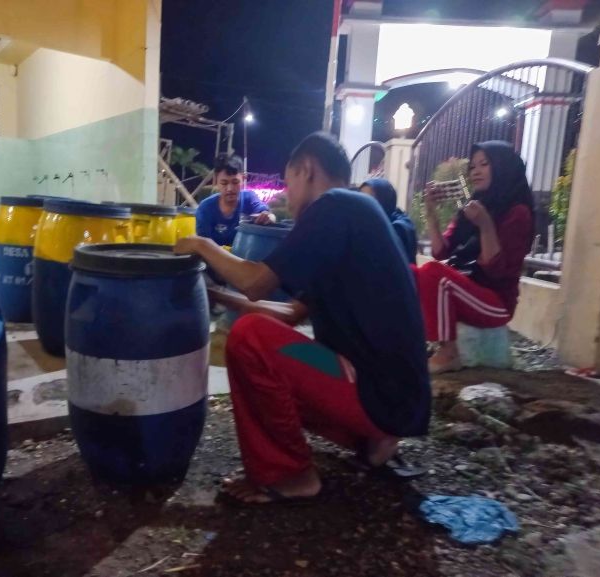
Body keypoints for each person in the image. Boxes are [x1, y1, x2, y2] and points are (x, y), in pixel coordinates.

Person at [175, 132, 430, 505]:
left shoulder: (336, 206)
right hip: (394, 401)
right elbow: (291, 313)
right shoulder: (355, 214)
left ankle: (290, 474)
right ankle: (375, 442)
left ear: (306, 170)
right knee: (264, 341)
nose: (287, 196)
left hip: (378, 395)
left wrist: (202, 244)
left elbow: (256, 283)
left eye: (287, 182)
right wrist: (216, 296)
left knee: (248, 337)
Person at [413, 141, 534, 374]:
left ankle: (449, 352)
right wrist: (430, 212)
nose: (476, 172)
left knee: (434, 274)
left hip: (496, 303)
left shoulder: (517, 213)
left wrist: (486, 225)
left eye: (484, 164)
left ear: (502, 167)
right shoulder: (473, 206)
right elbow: (440, 252)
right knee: (410, 273)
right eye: (473, 167)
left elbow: (495, 271)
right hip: (467, 289)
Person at [196, 154, 274, 246]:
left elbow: (266, 213)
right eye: (224, 183)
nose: (230, 188)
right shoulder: (206, 208)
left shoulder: (249, 198)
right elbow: (203, 244)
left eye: (235, 182)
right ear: (215, 181)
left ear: (243, 179)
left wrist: (268, 217)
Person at [360, 177, 418, 264]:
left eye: (369, 200)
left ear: (384, 199)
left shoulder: (399, 228)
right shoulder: (371, 224)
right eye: (361, 199)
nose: (363, 205)